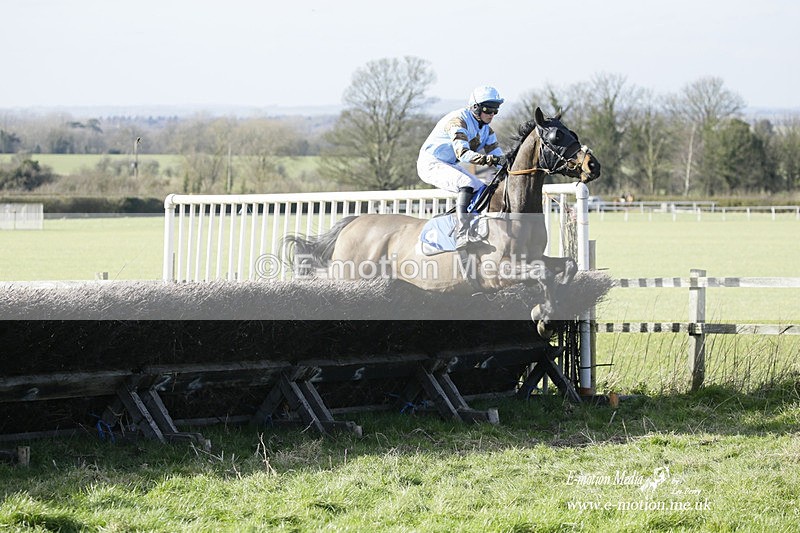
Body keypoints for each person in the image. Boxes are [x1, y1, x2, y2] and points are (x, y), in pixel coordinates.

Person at [417, 85, 506, 248]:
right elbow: (463, 154)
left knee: (482, 188)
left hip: (448, 164)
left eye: (496, 111)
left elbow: (500, 156)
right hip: (430, 162)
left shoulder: (487, 130)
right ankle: (462, 232)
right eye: (488, 109)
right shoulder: (458, 120)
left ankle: (469, 226)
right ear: (475, 107)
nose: (492, 115)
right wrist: (491, 160)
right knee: (467, 183)